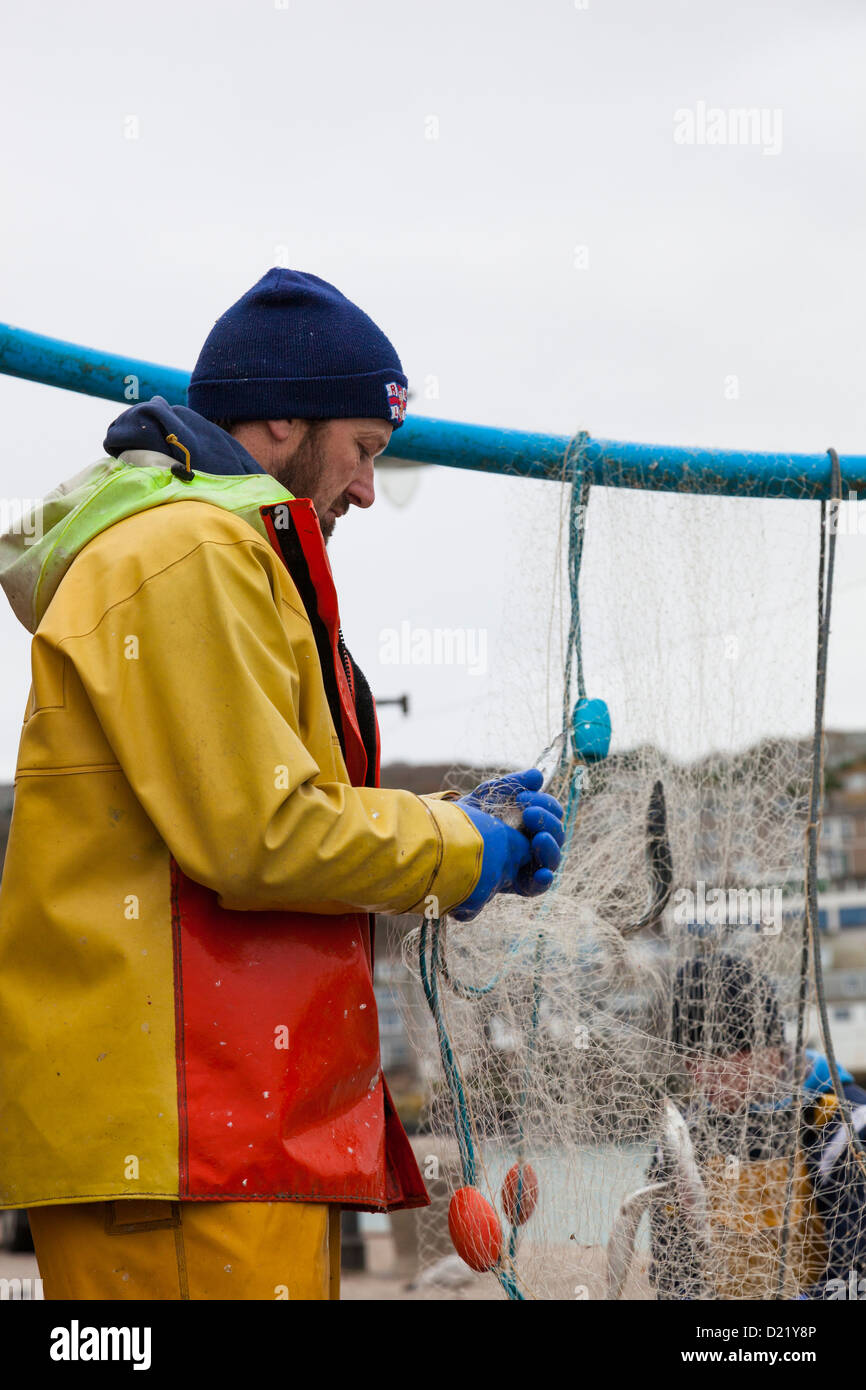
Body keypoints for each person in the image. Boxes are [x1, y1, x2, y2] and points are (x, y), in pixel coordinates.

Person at [0, 268, 565, 1300]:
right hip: (186, 1130)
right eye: (363, 452)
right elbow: (259, 830)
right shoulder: (187, 549)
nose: (361, 489)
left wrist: (450, 826)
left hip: (214, 1131)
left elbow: (258, 808)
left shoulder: (190, 545)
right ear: (277, 418)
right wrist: (460, 849)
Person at [648, 951, 866, 1300]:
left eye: (717, 1058)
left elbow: (856, 1275)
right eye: (690, 1061)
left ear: (766, 1048)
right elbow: (672, 1276)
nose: (702, 1076)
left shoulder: (845, 1124)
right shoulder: (679, 1141)